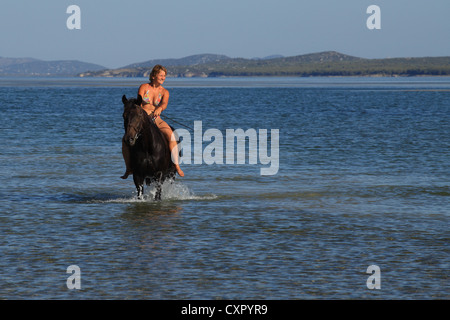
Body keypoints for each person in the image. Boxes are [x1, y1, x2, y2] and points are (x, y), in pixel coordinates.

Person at [121, 64, 184, 179]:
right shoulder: (144, 87)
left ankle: (176, 165)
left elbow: (164, 104)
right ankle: (128, 168)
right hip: (143, 119)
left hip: (156, 119)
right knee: (125, 139)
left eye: (164, 76)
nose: (163, 78)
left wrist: (159, 108)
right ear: (154, 76)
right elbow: (139, 102)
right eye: (161, 75)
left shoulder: (165, 92)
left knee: (171, 135)